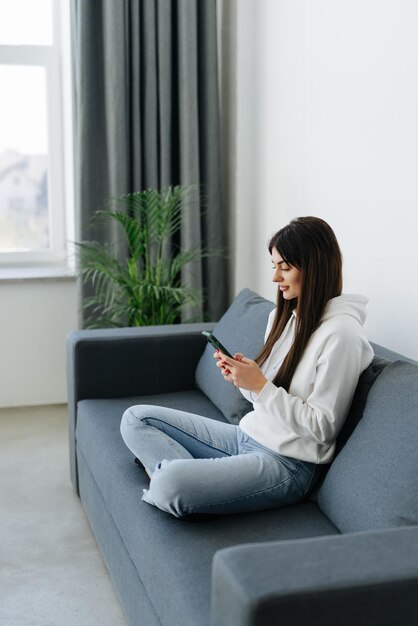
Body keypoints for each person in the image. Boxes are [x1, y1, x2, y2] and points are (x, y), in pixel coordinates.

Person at [120, 216, 374, 518]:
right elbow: (265, 400)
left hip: (287, 463)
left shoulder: (342, 334)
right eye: (274, 265)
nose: (275, 278)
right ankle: (180, 474)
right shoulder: (284, 318)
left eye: (285, 267)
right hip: (245, 436)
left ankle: (165, 474)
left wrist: (260, 387)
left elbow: (323, 428)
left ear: (315, 267)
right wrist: (245, 380)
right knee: (136, 418)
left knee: (171, 485)